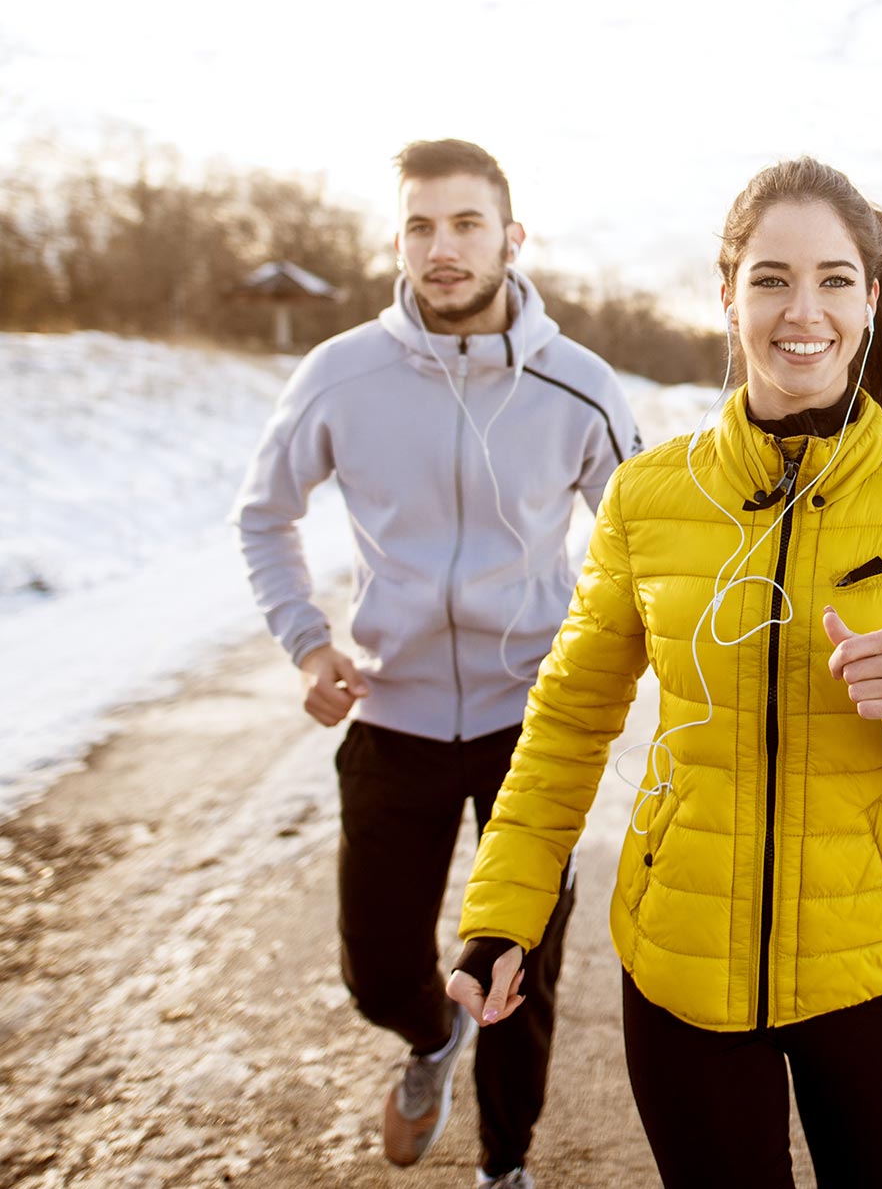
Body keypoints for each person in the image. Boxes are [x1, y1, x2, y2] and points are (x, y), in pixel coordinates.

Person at [446, 156, 882, 1188]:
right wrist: (503, 912)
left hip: (875, 967)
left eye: (830, 279)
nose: (800, 309)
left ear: (868, 299)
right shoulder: (649, 499)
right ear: (726, 294)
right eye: (771, 278)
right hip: (680, 966)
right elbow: (567, 719)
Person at [232, 138, 640, 1189]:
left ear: (512, 236)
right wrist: (308, 642)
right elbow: (264, 516)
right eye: (421, 225)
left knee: (516, 972)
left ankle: (505, 1168)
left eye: (466, 224)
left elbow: (649, 545)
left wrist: (605, 666)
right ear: (399, 240)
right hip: (394, 713)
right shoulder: (343, 375)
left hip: (531, 724)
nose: (443, 247)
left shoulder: (579, 388)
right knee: (377, 971)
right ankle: (426, 1040)